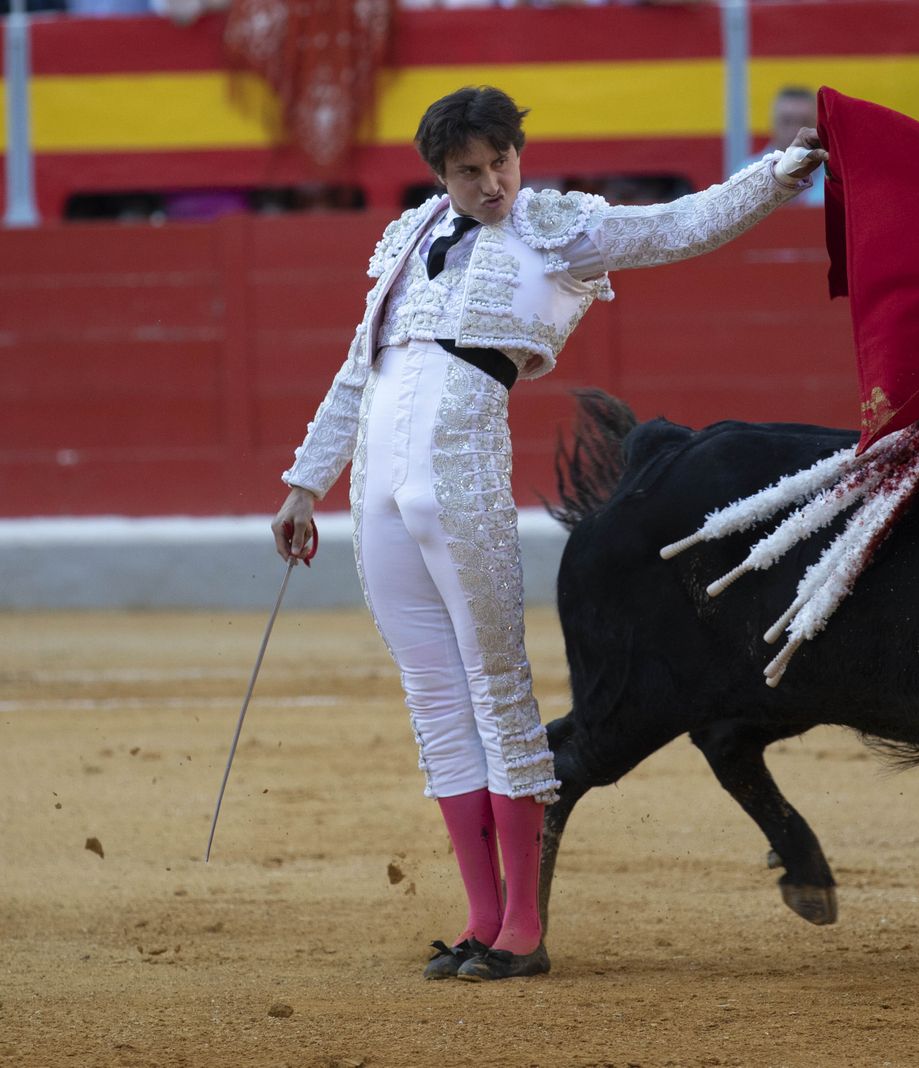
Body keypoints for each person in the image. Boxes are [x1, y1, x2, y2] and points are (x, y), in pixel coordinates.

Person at [271, 85, 824, 982]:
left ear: (517, 156)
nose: (492, 184)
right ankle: (481, 917)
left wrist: (780, 173)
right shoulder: (408, 237)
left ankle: (523, 926)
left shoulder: (556, 225)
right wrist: (304, 484)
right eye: (469, 172)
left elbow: (682, 224)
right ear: (441, 177)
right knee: (436, 705)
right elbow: (354, 371)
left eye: (501, 163)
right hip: (375, 481)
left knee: (499, 694)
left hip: (459, 469)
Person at [743, 86, 826, 206]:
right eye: (787, 121)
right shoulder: (747, 172)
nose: (795, 131)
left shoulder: (836, 177)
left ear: (817, 126)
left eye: (804, 122)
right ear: (773, 124)